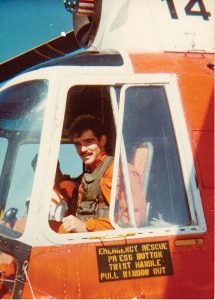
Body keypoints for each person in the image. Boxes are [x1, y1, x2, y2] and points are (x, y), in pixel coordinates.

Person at [61, 115, 114, 233]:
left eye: (88, 142)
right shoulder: (90, 173)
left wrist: (86, 227)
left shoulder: (113, 171)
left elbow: (127, 222)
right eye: (77, 144)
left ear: (102, 141)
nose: (82, 149)